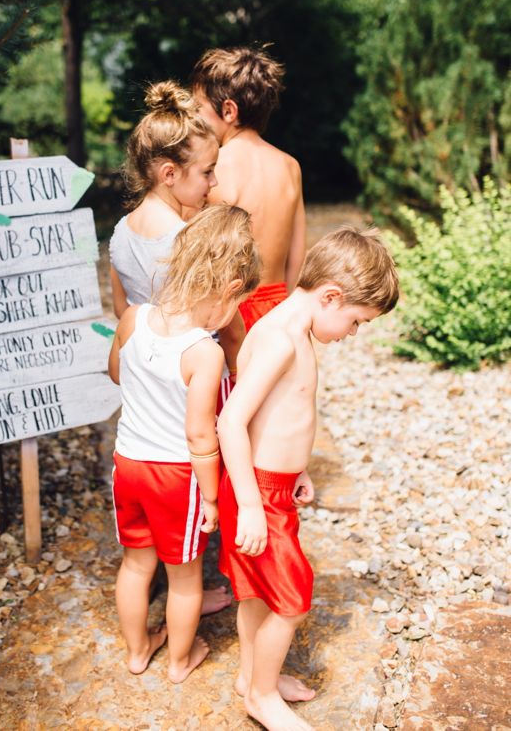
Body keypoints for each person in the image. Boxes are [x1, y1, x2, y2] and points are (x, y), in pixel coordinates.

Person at [217, 228, 399, 730]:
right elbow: (231, 421)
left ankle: (254, 677)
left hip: (272, 484)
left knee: (258, 592)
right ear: (331, 296)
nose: (353, 332)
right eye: (356, 321)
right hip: (256, 492)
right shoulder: (280, 340)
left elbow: (277, 418)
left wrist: (295, 471)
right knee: (293, 598)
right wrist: (252, 505)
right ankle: (260, 698)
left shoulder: (291, 330)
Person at [108, 205, 261, 682]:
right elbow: (200, 435)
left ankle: (137, 652)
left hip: (127, 463)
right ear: (231, 290)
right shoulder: (205, 352)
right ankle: (179, 660)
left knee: (135, 566)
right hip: (176, 476)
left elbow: (115, 372)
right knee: (184, 575)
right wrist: (212, 496)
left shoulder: (134, 317)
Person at [109, 81, 245, 615]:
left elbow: (124, 312)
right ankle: (192, 585)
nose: (213, 185)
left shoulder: (120, 233)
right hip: (193, 378)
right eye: (207, 172)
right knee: (198, 497)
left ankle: (163, 597)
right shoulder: (190, 241)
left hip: (144, 384)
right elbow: (219, 321)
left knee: (144, 530)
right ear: (170, 174)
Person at [191, 45, 306, 331]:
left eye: (197, 109)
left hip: (229, 313)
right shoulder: (290, 166)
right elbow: (297, 254)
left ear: (228, 110)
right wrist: (289, 314)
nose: (193, 118)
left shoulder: (213, 168)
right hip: (278, 305)